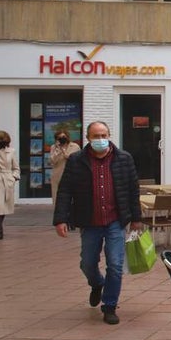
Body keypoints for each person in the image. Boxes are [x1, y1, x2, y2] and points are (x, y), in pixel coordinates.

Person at [53, 121, 143, 325]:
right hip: (89, 221)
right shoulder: (77, 160)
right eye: (96, 136)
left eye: (103, 135)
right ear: (88, 138)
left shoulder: (124, 159)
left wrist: (136, 218)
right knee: (87, 262)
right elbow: (65, 190)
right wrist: (60, 219)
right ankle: (97, 283)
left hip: (115, 221)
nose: (100, 140)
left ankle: (109, 305)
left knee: (116, 264)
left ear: (109, 135)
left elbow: (132, 189)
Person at [49, 130, 80, 202]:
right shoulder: (53, 147)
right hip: (57, 175)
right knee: (57, 197)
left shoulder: (74, 146)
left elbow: (72, 159)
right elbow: (52, 161)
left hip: (71, 174)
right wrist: (57, 150)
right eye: (59, 137)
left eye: (63, 137)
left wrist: (63, 150)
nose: (62, 139)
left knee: (71, 196)